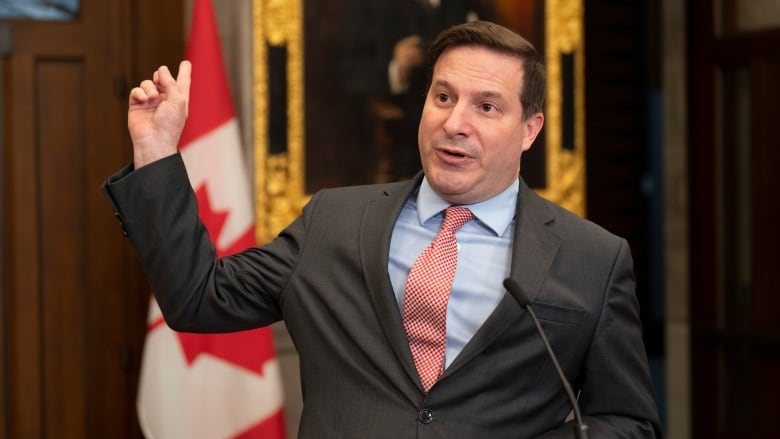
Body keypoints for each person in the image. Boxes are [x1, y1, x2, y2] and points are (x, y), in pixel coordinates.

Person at [103, 21, 663, 438]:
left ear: (529, 129)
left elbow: (628, 421)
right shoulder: (334, 220)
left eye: (487, 108)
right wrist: (156, 153)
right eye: (442, 97)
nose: (454, 122)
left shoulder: (593, 257)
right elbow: (199, 298)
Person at [340, 0, 493, 182]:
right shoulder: (371, 6)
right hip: (401, 128)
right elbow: (350, 73)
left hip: (465, 123)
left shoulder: (469, 5)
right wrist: (395, 68)